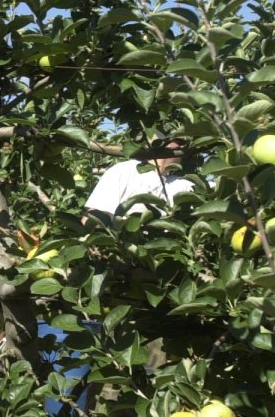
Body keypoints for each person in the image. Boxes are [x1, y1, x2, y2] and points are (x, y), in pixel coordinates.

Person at [42, 138, 194, 415]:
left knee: (157, 378)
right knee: (112, 380)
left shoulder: (187, 186)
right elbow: (94, 221)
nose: (186, 146)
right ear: (161, 142)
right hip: (120, 295)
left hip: (165, 299)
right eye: (179, 140)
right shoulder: (125, 171)